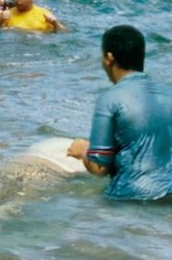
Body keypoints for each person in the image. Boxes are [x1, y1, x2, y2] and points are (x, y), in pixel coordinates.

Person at [66, 25, 172, 201]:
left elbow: (100, 168)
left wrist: (83, 150)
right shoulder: (167, 93)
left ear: (109, 58)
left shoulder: (110, 98)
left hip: (129, 198)